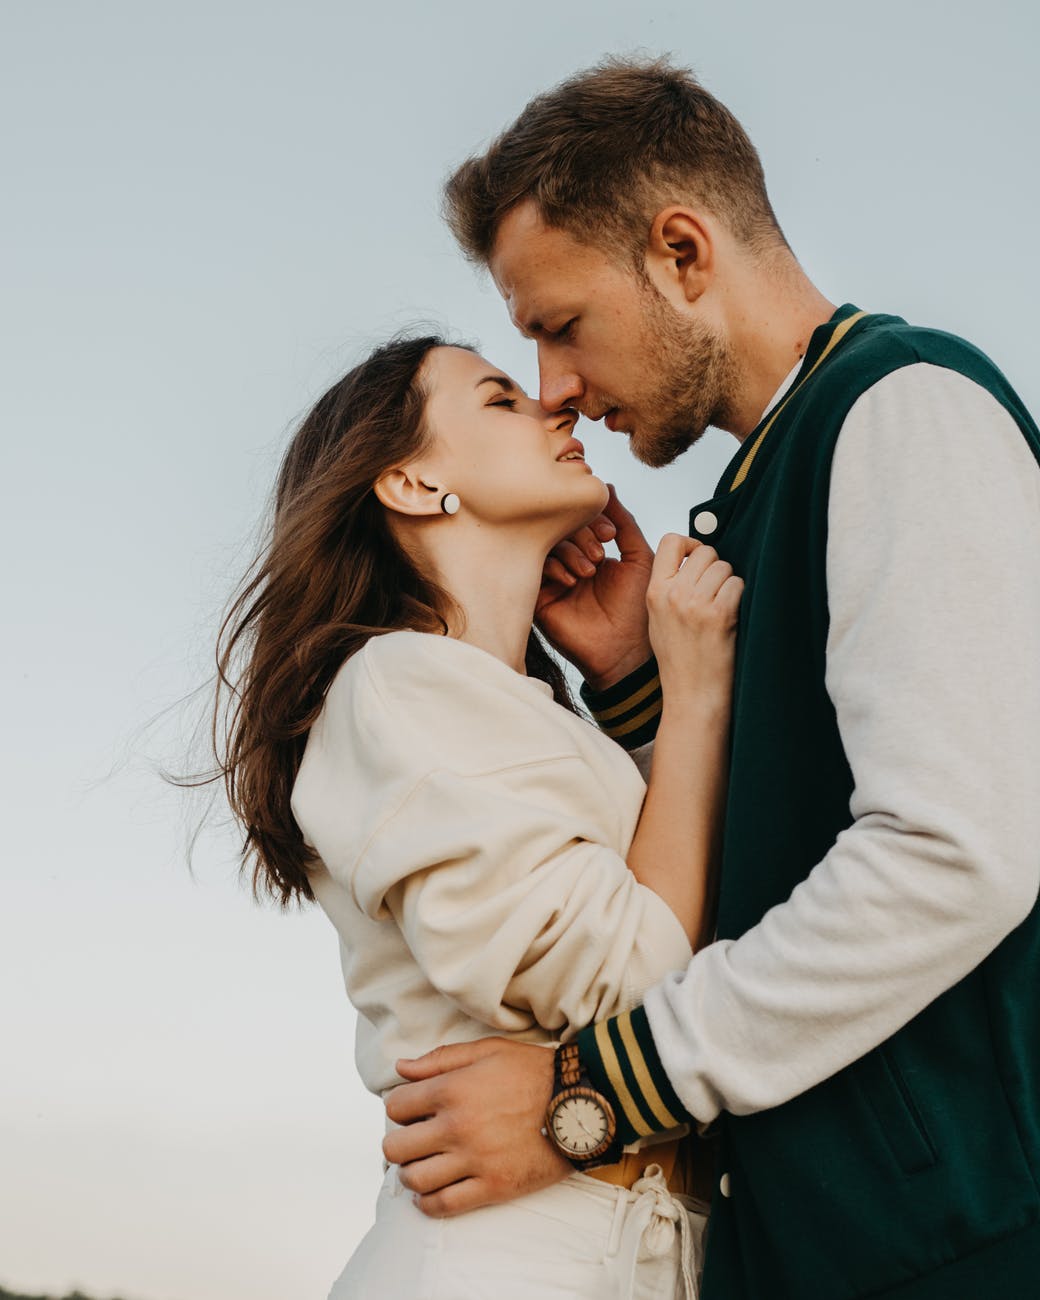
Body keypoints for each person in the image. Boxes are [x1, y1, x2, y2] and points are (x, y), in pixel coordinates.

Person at [381, 57, 1040, 1300]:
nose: (554, 389)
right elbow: (777, 853)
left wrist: (591, 1093)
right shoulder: (752, 492)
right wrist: (641, 687)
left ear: (681, 253)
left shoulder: (905, 411)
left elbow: (953, 854)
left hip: (961, 1242)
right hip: (803, 1250)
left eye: (559, 326)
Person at [210, 330, 746, 1297]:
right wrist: (697, 689)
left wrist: (630, 678)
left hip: (624, 1242)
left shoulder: (505, 706)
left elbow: (692, 908)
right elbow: (634, 973)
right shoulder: (397, 683)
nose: (555, 406)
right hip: (511, 1255)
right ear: (412, 484)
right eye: (500, 398)